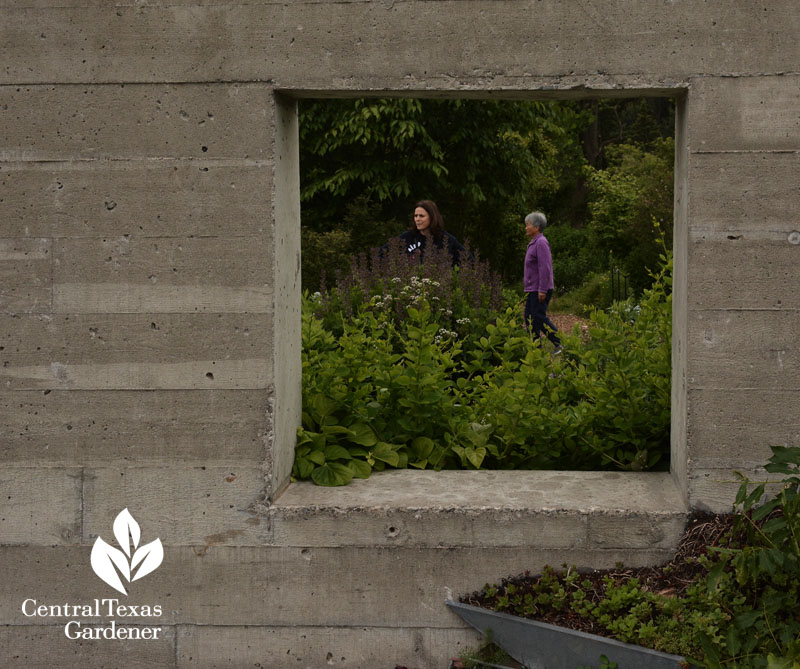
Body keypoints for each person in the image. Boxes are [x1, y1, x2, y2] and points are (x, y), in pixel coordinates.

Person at [523, 211, 562, 352]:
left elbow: (545, 268)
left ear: (536, 227)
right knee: (529, 317)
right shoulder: (534, 243)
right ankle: (535, 347)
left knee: (537, 317)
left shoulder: (541, 243)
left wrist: (542, 289)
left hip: (540, 288)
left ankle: (560, 343)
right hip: (533, 288)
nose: (526, 227)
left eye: (528, 225)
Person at [391, 199, 469, 266]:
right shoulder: (407, 237)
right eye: (415, 216)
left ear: (432, 217)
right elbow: (381, 254)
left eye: (421, 216)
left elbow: (470, 262)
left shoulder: (446, 239)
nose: (417, 219)